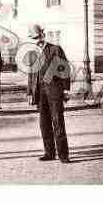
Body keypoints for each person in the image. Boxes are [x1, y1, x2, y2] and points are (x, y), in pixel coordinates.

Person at [29, 24, 71, 164]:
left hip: (54, 91)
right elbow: (31, 74)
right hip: (40, 93)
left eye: (38, 36)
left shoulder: (55, 49)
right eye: (34, 38)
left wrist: (65, 90)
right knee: (44, 123)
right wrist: (30, 92)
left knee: (57, 121)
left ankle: (63, 155)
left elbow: (64, 70)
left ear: (43, 34)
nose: (37, 40)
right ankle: (49, 152)